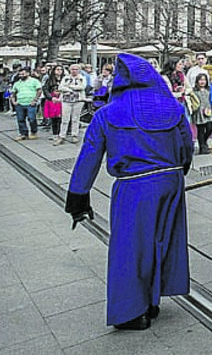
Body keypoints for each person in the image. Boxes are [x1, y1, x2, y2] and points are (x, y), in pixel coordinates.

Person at [64, 53, 193, 330]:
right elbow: (186, 146)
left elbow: (89, 156)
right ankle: (153, 298)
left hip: (135, 184)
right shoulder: (172, 107)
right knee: (163, 239)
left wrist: (78, 197)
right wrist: (177, 170)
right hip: (170, 181)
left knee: (130, 247)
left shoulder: (107, 113)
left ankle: (132, 311)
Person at [56, 64, 89, 144]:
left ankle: (74, 135)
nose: (74, 71)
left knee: (75, 118)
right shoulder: (66, 78)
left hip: (78, 100)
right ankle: (62, 136)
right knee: (65, 119)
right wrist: (71, 89)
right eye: (72, 69)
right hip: (66, 100)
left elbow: (82, 87)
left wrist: (70, 87)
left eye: (76, 69)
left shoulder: (82, 78)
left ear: (79, 70)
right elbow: (60, 88)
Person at [11, 67, 42, 140]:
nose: (21, 76)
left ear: (28, 73)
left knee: (32, 118)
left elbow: (39, 90)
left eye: (23, 74)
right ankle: (23, 133)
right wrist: (13, 101)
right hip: (20, 103)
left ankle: (34, 132)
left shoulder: (34, 81)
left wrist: (35, 100)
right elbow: (13, 93)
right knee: (20, 119)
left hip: (30, 103)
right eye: (20, 74)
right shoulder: (17, 83)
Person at [191, 74, 212, 155]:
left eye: (204, 80)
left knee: (209, 128)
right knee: (200, 130)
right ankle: (202, 146)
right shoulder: (194, 91)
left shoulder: (208, 90)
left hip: (208, 111)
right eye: (200, 80)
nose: (202, 82)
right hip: (199, 112)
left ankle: (204, 142)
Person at [42, 64, 65, 137]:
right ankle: (55, 133)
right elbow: (45, 89)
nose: (59, 71)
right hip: (53, 99)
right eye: (57, 69)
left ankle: (62, 132)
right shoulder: (49, 79)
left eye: (61, 69)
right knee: (54, 117)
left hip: (62, 98)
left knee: (62, 117)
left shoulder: (65, 79)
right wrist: (50, 97)